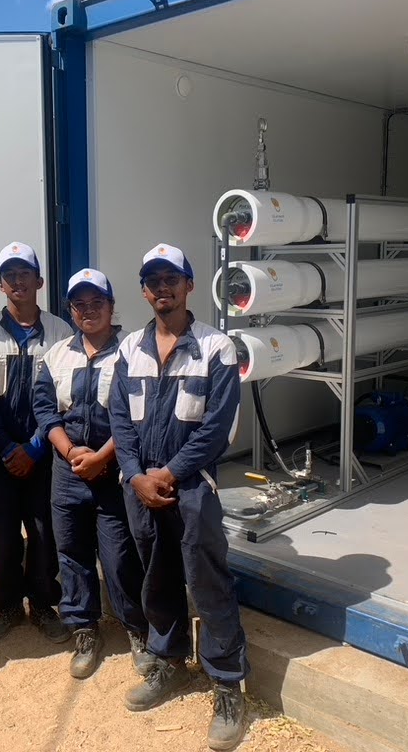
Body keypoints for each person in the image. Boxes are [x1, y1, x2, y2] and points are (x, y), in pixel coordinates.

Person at [109, 244, 248, 751]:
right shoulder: (130, 348)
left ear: (189, 285)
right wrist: (135, 476)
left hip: (191, 487)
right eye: (153, 281)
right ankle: (168, 661)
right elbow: (119, 420)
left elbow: (216, 428)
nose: (162, 288)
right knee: (156, 575)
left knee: (207, 580)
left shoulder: (216, 347)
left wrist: (168, 473)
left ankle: (227, 685)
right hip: (142, 488)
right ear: (144, 291)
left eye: (172, 278)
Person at [33, 268, 153, 679]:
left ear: (111, 305)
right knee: (72, 553)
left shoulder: (133, 351)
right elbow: (45, 410)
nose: (88, 310)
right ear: (70, 310)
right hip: (68, 472)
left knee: (119, 556)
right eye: (79, 304)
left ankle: (136, 628)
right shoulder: (57, 354)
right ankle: (84, 629)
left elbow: (139, 415)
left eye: (96, 302)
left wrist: (102, 457)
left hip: (114, 471)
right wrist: (70, 452)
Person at [0, 242, 72, 645]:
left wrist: (37, 447)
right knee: (1, 530)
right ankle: (7, 605)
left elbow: (68, 398)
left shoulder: (62, 333)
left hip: (45, 452)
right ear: (0, 284)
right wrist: (8, 449)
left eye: (25, 273)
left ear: (39, 281)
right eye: (9, 275)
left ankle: (43, 604)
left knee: (44, 530)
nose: (17, 281)